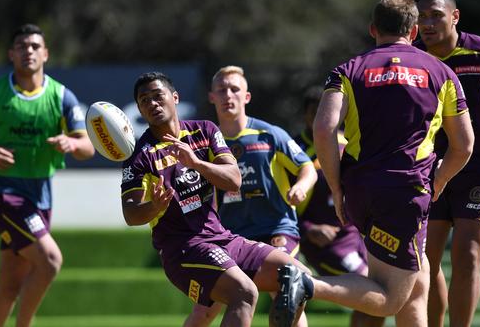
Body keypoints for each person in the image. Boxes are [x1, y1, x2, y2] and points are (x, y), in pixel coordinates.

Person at [278, 0, 475, 327]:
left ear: (373, 29)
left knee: (418, 282)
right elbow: (465, 145)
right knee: (389, 298)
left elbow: (323, 130)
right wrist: (439, 181)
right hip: (406, 194)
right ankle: (307, 283)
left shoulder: (346, 71)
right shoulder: (441, 73)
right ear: (413, 31)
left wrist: (337, 189)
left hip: (361, 193)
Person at [121, 71, 313, 327]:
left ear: (175, 98)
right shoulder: (140, 156)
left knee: (299, 277)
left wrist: (196, 163)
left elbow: (233, 180)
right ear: (139, 110)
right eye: (145, 100)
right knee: (244, 293)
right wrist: (154, 206)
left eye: (158, 96)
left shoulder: (205, 131)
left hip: (222, 238)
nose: (152, 103)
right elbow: (131, 214)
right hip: (183, 249)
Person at [0, 24, 95, 327]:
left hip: (40, 196)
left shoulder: (62, 96)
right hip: (4, 195)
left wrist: (72, 143)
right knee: (51, 261)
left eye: (34, 46)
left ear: (45, 53)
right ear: (11, 54)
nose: (28, 51)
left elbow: (87, 147)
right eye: (21, 46)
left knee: (10, 286)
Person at [183, 66, 317, 327]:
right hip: (231, 237)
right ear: (211, 97)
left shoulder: (269, 134)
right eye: (221, 90)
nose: (228, 95)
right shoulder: (205, 146)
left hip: (276, 230)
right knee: (204, 312)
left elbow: (307, 168)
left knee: (288, 292)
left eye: (234, 89)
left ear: (246, 97)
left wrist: (301, 186)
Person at [415, 0, 480, 327]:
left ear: (455, 16)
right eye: (421, 16)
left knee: (466, 255)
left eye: (436, 15)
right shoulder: (413, 57)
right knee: (427, 258)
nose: (428, 23)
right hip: (429, 166)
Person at [295, 87, 384, 327]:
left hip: (360, 236)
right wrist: (309, 229)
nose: (324, 118)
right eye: (316, 113)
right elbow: (281, 206)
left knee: (381, 299)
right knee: (373, 290)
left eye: (329, 112)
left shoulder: (351, 144)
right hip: (328, 243)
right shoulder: (294, 152)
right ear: (305, 116)